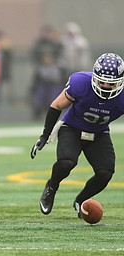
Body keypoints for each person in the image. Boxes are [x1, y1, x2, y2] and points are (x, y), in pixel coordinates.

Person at [30, 53, 124, 217]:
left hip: (99, 132)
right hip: (72, 127)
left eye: (111, 83)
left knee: (105, 173)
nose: (105, 86)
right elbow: (57, 105)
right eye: (102, 81)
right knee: (67, 162)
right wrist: (45, 135)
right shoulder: (80, 82)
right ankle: (52, 186)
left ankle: (81, 200)